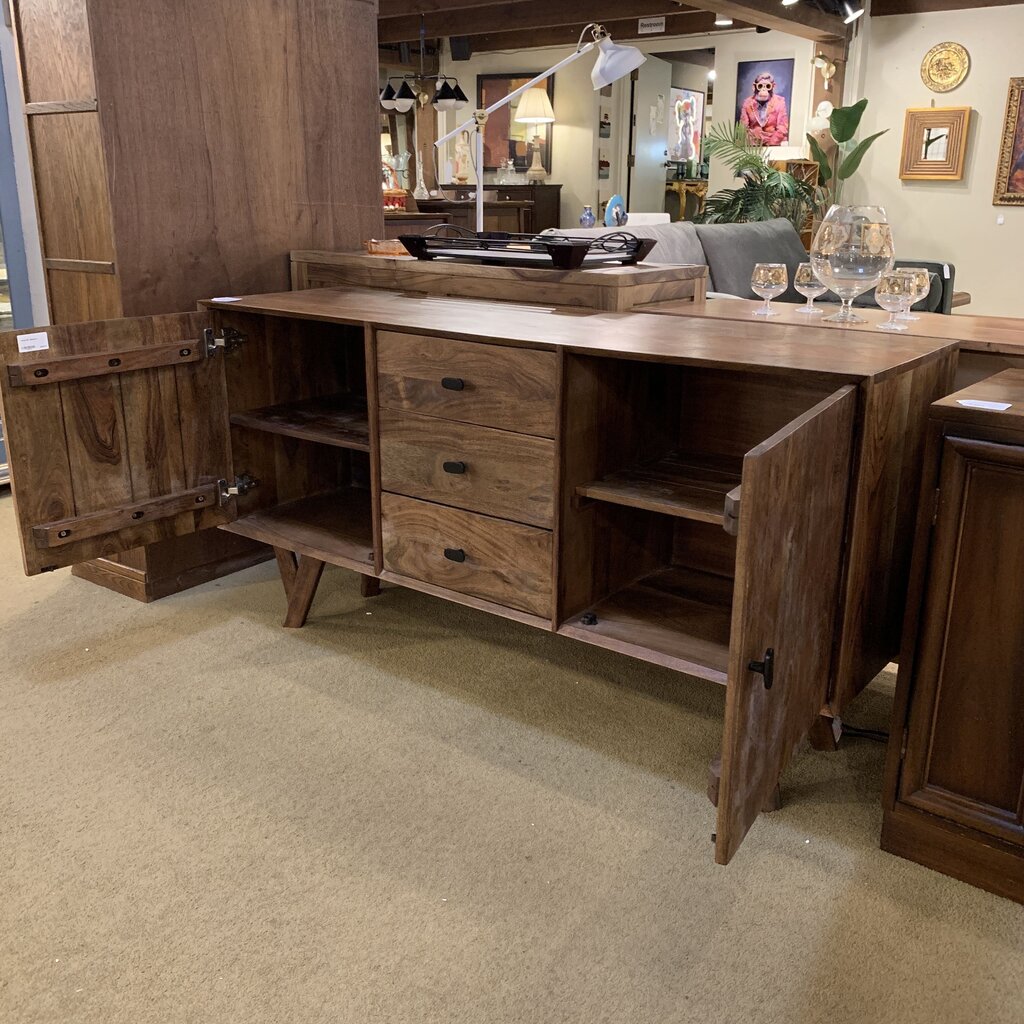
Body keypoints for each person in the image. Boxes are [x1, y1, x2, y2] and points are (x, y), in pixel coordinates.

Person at [740, 72, 789, 147]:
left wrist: (771, 143)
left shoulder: (779, 102)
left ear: (773, 87)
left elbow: (782, 127)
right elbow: (742, 127)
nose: (763, 89)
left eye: (767, 86)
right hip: (753, 143)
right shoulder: (747, 103)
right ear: (754, 87)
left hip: (773, 143)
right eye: (760, 86)